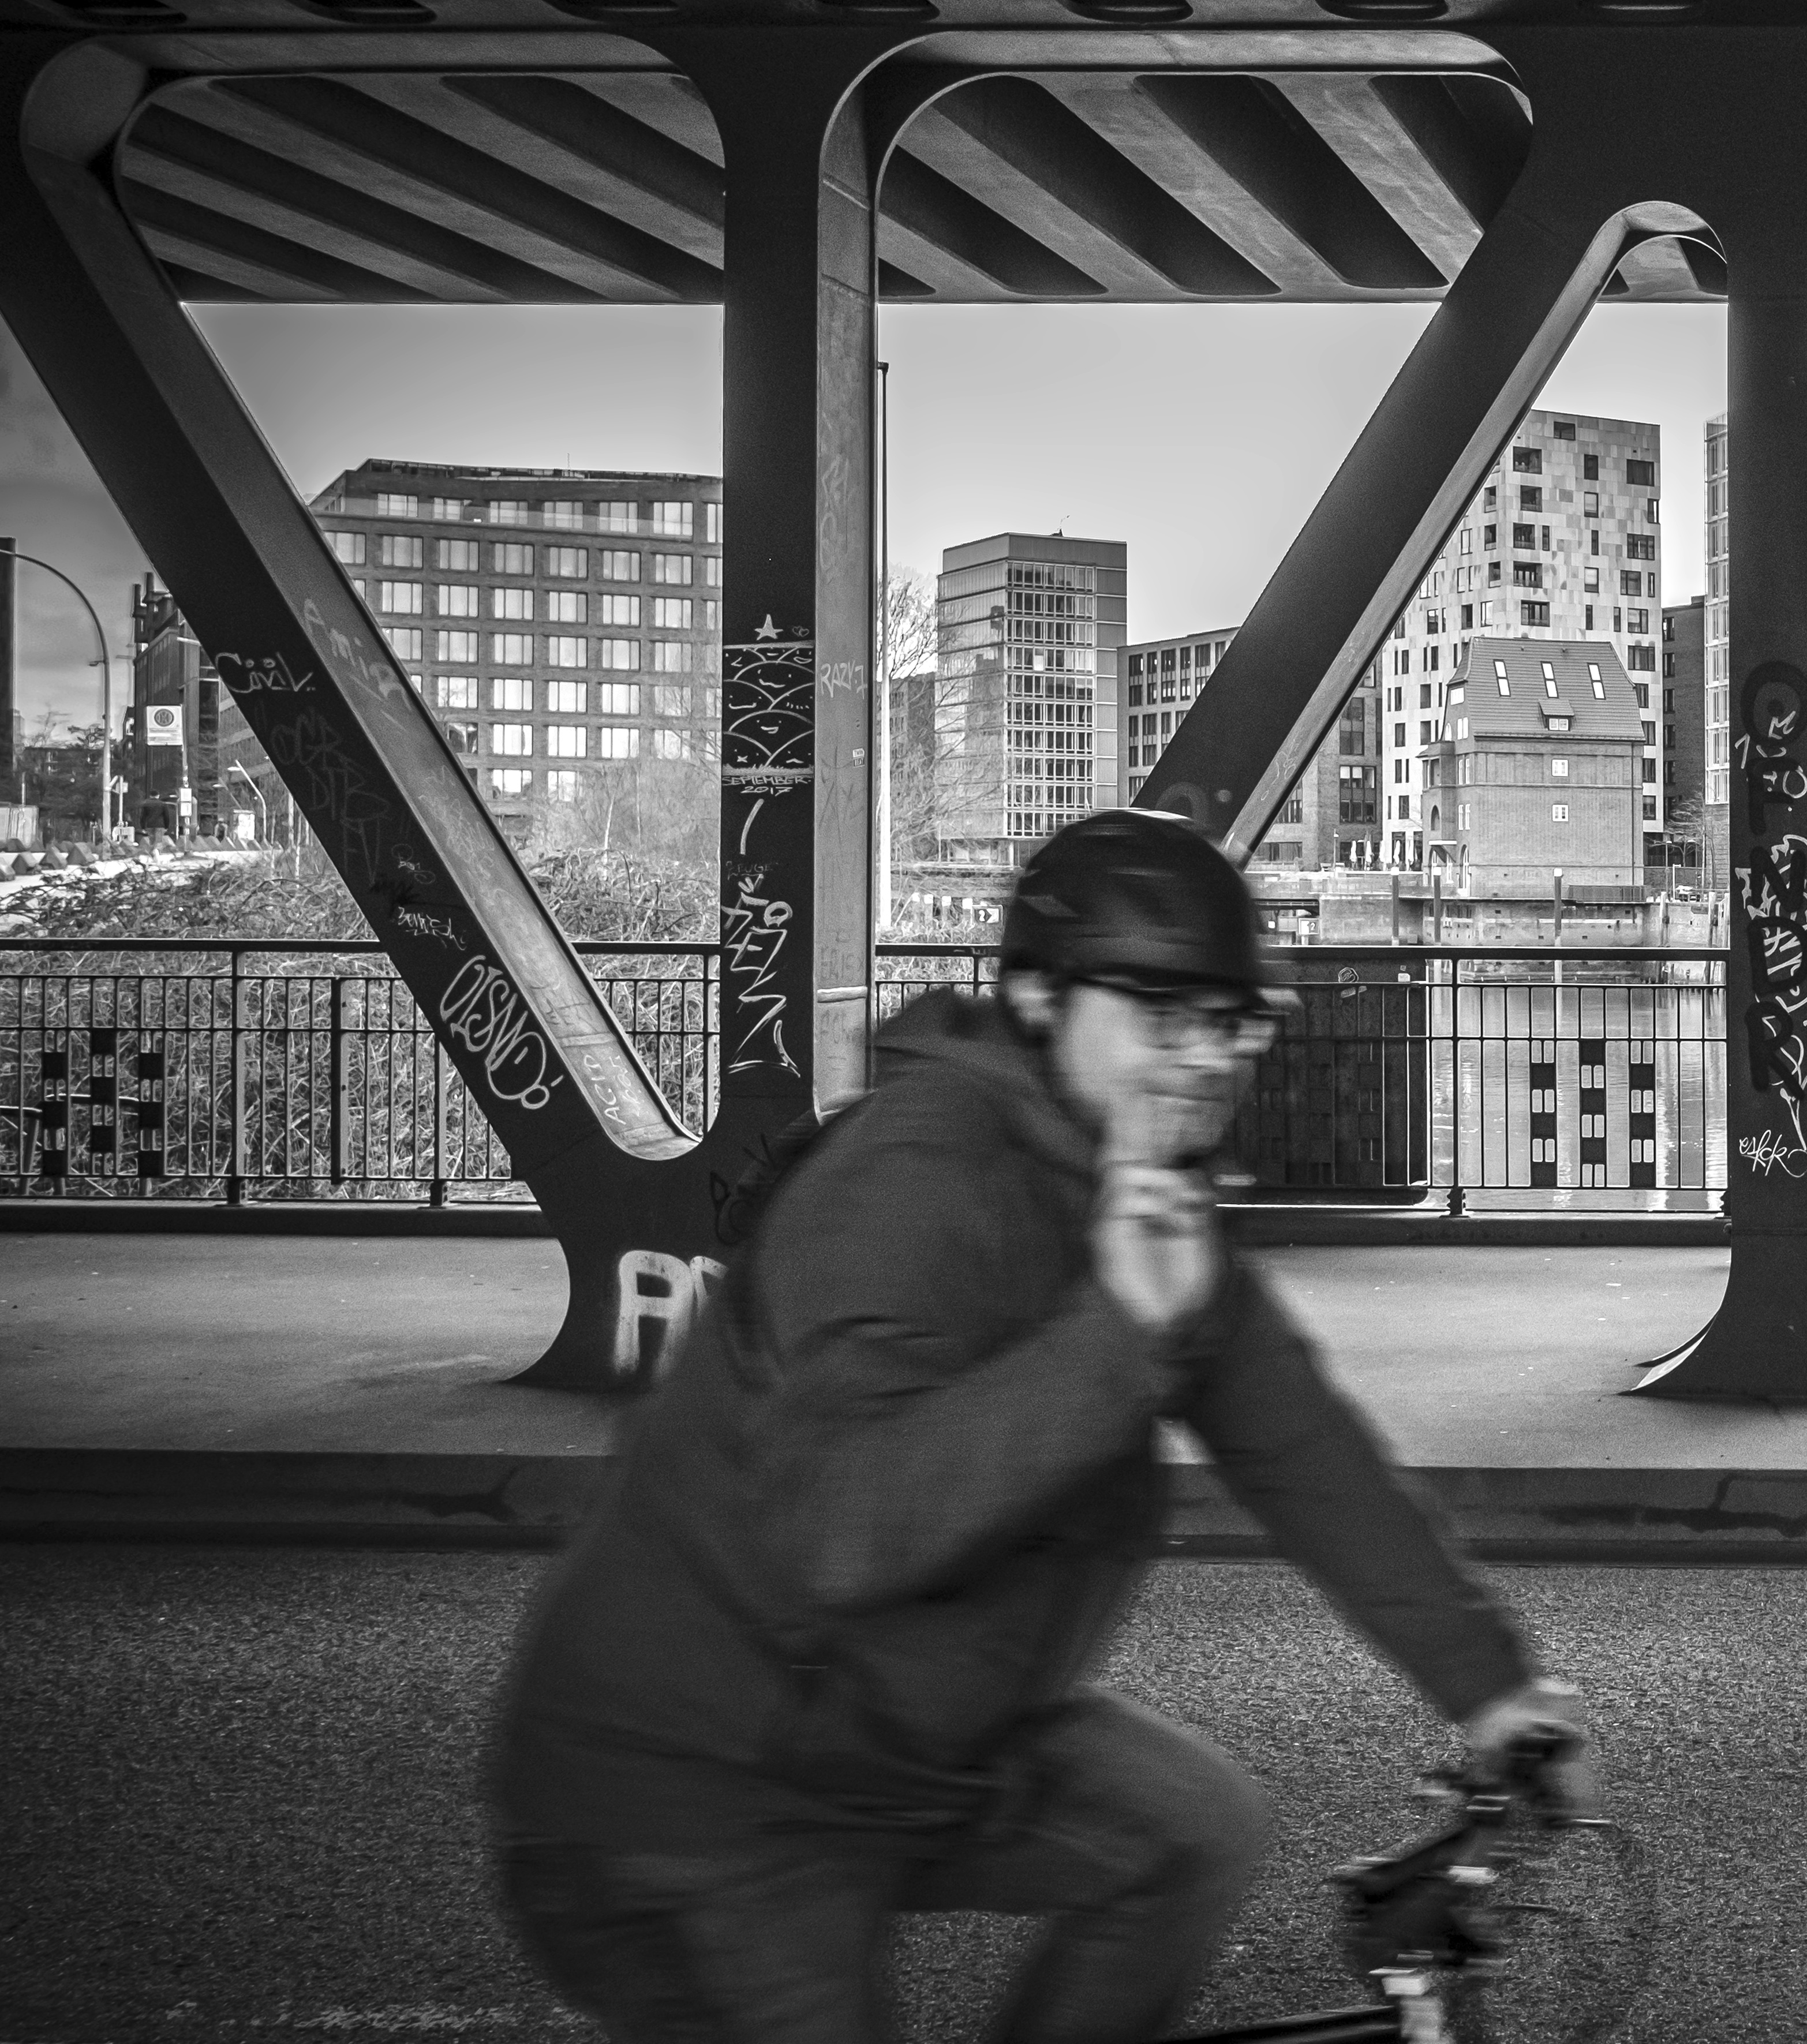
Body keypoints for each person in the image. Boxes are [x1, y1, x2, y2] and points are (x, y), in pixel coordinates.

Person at [488, 807, 1592, 2042]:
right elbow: (843, 1531)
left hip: (901, 1749)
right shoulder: (915, 1179)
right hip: (696, 1794)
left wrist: (1492, 1688)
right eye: (1160, 1013)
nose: (1207, 1055)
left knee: (1192, 1826)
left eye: (1233, 1020)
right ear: (1037, 999)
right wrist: (1119, 1327)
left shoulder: (1146, 1191)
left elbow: (1307, 1454)